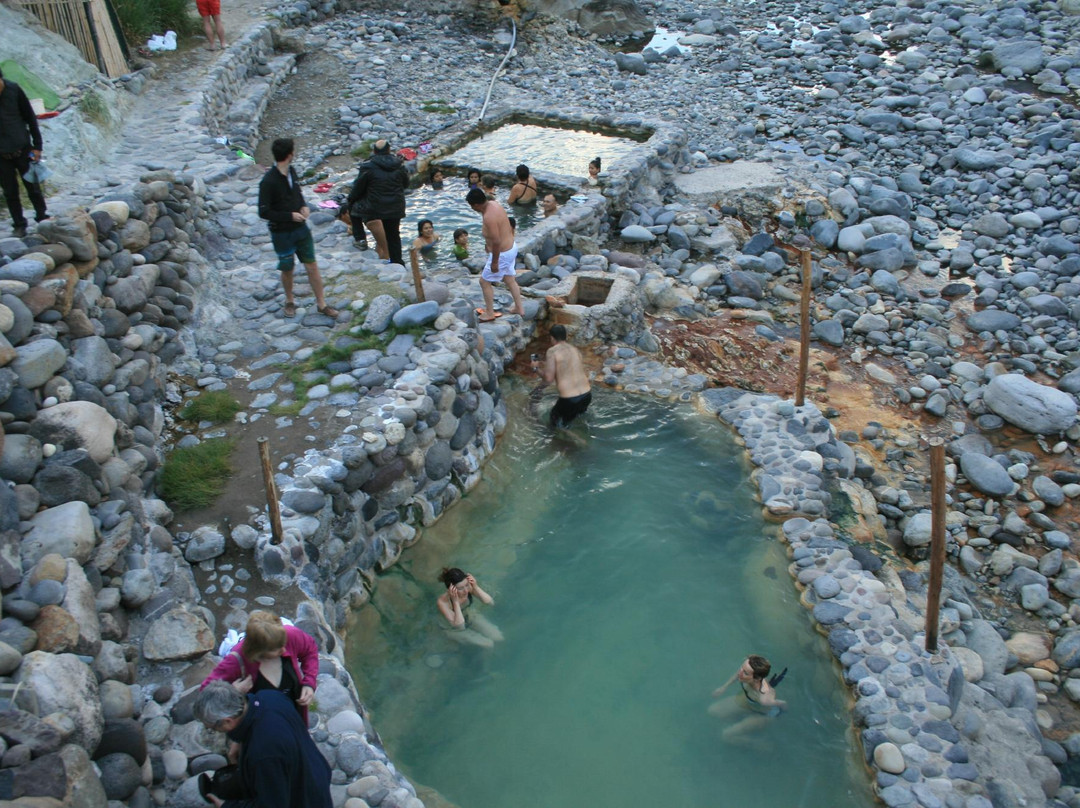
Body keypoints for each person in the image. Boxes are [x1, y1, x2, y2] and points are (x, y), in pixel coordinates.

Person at [193, 682, 332, 808]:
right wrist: (240, 739)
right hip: (313, 774)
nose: (215, 731)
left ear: (228, 721)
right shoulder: (269, 697)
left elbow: (273, 805)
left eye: (213, 728)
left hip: (305, 800)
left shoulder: (264, 752)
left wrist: (227, 806)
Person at [257, 138, 339, 320]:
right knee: (287, 268)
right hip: (282, 232)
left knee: (312, 265)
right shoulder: (268, 181)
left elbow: (297, 194)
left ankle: (321, 303)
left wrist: (303, 206)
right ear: (289, 155)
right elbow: (263, 211)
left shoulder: (291, 172)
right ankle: (289, 300)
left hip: (300, 228)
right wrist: (289, 216)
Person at [201, 610, 320, 725]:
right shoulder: (236, 661)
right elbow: (206, 694)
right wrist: (233, 692)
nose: (284, 649)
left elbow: (310, 649)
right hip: (262, 725)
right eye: (276, 649)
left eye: (283, 644)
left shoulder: (288, 635)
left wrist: (309, 682)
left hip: (294, 715)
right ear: (258, 651)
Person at [0, 68, 49, 239]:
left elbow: (30, 117)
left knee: (33, 187)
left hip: (23, 150)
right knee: (10, 192)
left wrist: (37, 146)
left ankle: (42, 217)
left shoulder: (14, 90)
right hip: (2, 156)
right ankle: (19, 224)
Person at [466, 187, 524, 321]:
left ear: (476, 205)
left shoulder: (488, 217)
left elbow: (497, 241)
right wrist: (488, 244)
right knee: (509, 279)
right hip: (511, 247)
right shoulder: (494, 204)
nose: (472, 208)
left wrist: (494, 262)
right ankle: (519, 308)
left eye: (471, 206)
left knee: (484, 282)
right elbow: (503, 229)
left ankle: (490, 312)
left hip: (502, 253)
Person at [347, 139, 409, 266]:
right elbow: (406, 184)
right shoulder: (399, 166)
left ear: (374, 152)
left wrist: (351, 199)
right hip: (395, 207)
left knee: (352, 207)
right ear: (389, 150)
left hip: (374, 207)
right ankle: (397, 262)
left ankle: (361, 239)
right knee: (394, 234)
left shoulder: (368, 167)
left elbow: (358, 188)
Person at [708, 654, 786, 739]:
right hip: (749, 702)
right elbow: (737, 675)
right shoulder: (747, 674)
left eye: (745, 672)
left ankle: (762, 746)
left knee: (727, 735)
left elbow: (782, 704)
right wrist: (723, 687)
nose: (740, 673)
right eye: (742, 668)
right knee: (712, 711)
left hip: (763, 714)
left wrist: (781, 717)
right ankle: (742, 721)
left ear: (757, 678)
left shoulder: (764, 697)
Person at [533, 324, 591, 428]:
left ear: (552, 338)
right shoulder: (575, 349)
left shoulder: (552, 351)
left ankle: (570, 441)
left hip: (570, 399)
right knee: (574, 420)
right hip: (587, 395)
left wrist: (536, 369)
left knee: (554, 422)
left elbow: (548, 379)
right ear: (566, 336)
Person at [437, 567, 503, 647]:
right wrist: (455, 602)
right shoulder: (443, 602)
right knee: (488, 644)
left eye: (466, 585)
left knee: (498, 637)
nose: (466, 590)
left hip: (469, 615)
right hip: (451, 628)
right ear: (451, 589)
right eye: (460, 588)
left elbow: (490, 602)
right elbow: (460, 626)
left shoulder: (468, 588)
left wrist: (475, 587)